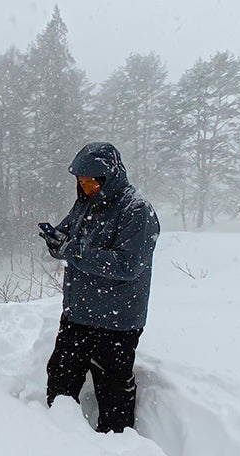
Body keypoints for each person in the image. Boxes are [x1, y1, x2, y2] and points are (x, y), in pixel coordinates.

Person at [40, 142, 160, 433]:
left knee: (114, 397)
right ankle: (54, 441)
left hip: (116, 322)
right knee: (59, 383)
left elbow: (128, 265)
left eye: (92, 181)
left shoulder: (137, 210)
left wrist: (73, 251)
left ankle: (117, 448)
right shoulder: (85, 203)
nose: (86, 187)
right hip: (78, 314)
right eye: (81, 182)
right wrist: (57, 243)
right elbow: (68, 240)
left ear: (111, 177)